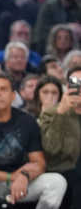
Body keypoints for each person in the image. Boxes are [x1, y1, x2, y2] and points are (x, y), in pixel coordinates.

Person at [0, 73, 67, 208]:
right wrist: (9, 177)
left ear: (13, 95)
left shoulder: (27, 120)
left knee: (57, 181)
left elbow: (39, 163)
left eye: (3, 89)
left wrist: (24, 176)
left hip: (20, 183)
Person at [39, 66, 81, 209]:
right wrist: (61, 113)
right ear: (68, 87)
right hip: (64, 172)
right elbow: (50, 149)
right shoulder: (52, 113)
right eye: (76, 83)